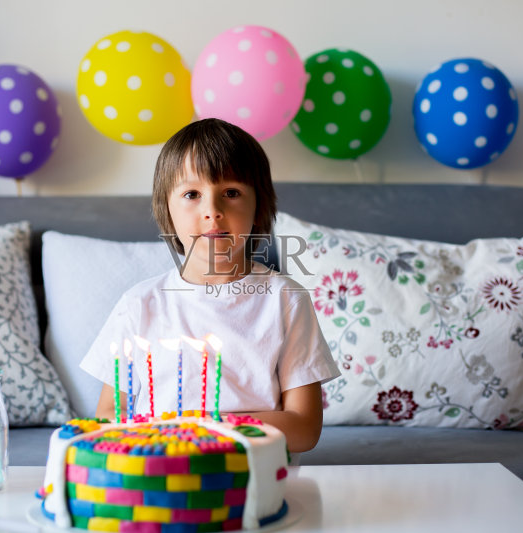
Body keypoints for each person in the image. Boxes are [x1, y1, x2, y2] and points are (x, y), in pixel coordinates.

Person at [79, 118, 339, 452]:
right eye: (192, 194)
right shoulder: (139, 304)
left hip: (252, 482)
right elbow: (108, 419)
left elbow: (304, 430)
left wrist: (204, 429)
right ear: (167, 210)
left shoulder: (284, 300)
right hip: (155, 478)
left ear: (258, 207)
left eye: (231, 193)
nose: (212, 211)